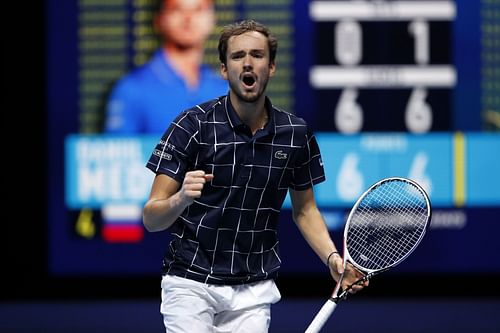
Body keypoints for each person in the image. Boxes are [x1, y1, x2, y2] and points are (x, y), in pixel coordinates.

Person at [143, 19, 368, 332]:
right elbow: (151, 218)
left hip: (253, 289)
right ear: (224, 69)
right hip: (190, 282)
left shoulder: (295, 134)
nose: (247, 63)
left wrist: (332, 260)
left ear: (271, 67)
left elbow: (305, 211)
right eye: (237, 56)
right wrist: (180, 198)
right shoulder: (192, 125)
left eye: (257, 55)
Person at [105, 0, 228, 134]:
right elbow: (120, 151)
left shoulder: (225, 90)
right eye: (177, 9)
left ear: (213, 19)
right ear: (159, 20)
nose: (188, 18)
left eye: (198, 9)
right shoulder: (131, 90)